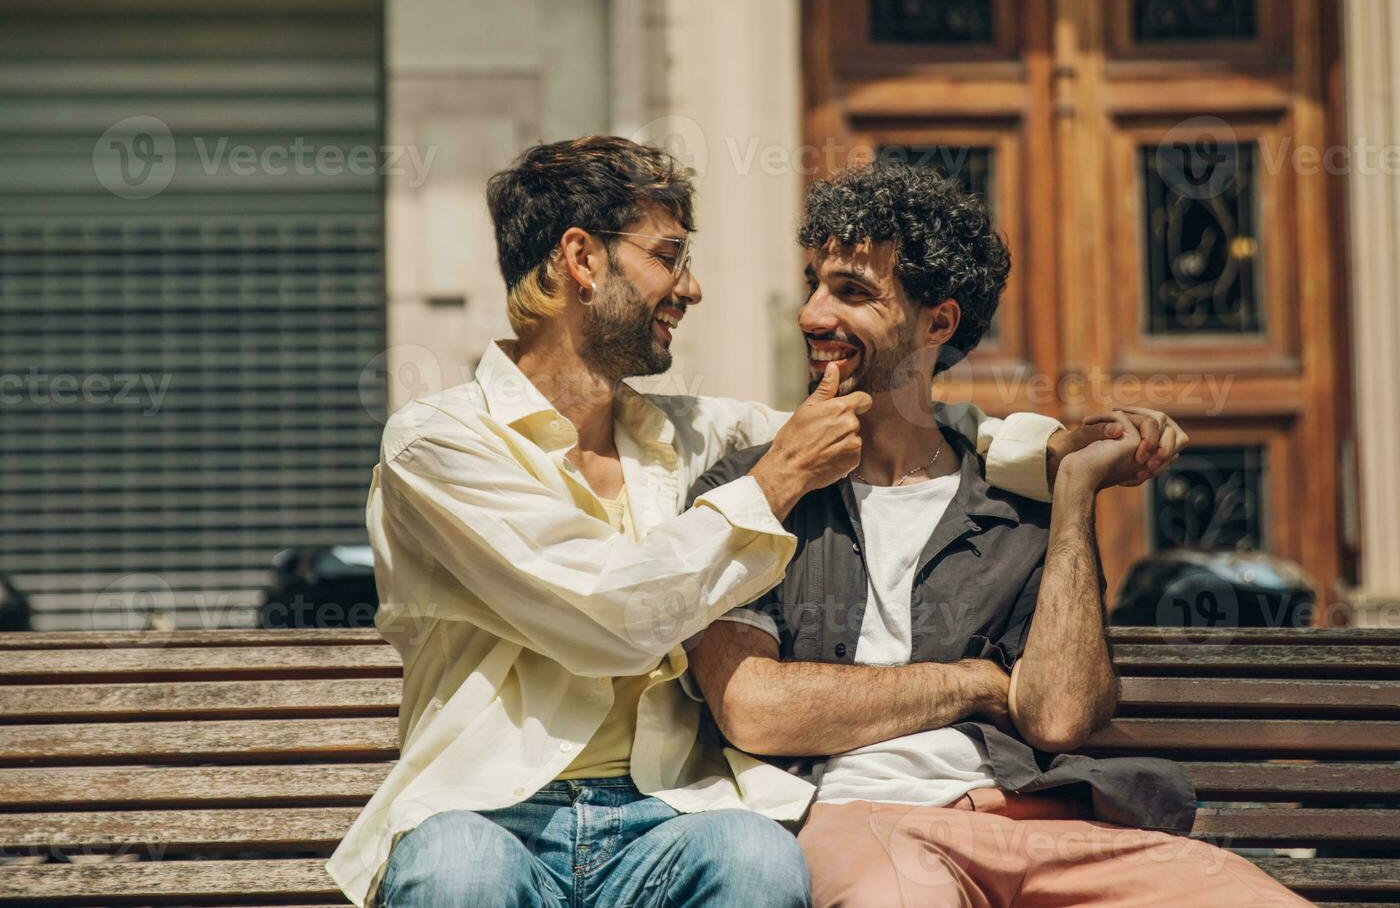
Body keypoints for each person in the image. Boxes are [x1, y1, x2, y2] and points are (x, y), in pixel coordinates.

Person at [325, 137, 1184, 907]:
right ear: (581, 260)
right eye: (668, 257)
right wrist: (772, 484)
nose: (690, 288)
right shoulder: (436, 446)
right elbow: (610, 617)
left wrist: (1052, 449)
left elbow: (901, 419)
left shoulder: (686, 433)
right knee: (459, 874)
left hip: (668, 811)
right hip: (487, 810)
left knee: (757, 861)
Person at [687, 162, 1310, 907]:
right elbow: (755, 709)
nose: (814, 314)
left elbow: (1057, 714)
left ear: (938, 323)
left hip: (1048, 815)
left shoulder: (1017, 499)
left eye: (851, 291)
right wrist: (977, 683)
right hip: (871, 822)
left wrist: (1075, 496)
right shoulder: (756, 489)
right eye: (815, 282)